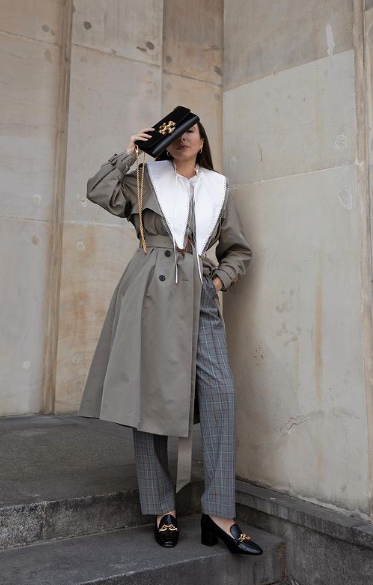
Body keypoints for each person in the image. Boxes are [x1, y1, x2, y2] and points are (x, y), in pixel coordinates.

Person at [78, 118, 263, 555]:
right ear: (165, 139)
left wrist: (217, 282)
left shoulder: (218, 187)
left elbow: (238, 250)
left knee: (220, 394)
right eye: (175, 132)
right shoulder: (145, 178)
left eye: (191, 131)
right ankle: (163, 507)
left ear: (202, 140)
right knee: (149, 399)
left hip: (198, 293)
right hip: (150, 292)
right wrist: (129, 153)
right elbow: (98, 191)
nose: (183, 138)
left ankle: (220, 514)